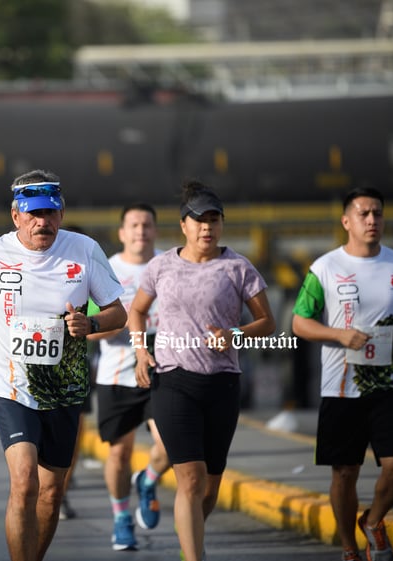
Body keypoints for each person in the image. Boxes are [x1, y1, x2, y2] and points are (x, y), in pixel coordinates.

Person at [0, 169, 127, 561]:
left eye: (52, 213)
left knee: (51, 492)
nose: (44, 222)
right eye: (35, 214)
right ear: (16, 215)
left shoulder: (85, 250)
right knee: (24, 481)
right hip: (11, 382)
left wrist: (90, 323)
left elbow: (118, 313)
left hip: (65, 386)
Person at [128, 180, 275, 561]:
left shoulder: (238, 267)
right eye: (199, 220)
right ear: (184, 225)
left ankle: (190, 539)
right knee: (190, 479)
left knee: (209, 486)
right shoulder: (162, 266)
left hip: (222, 383)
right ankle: (194, 556)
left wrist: (234, 335)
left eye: (214, 220)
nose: (207, 227)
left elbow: (268, 322)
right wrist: (141, 353)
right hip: (173, 380)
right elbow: (137, 312)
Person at [292, 186, 393, 561]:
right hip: (341, 386)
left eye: (378, 214)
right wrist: (339, 334)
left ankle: (373, 520)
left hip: (390, 381)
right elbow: (300, 323)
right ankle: (350, 550)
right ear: (346, 221)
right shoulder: (325, 267)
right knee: (344, 473)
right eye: (364, 214)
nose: (372, 220)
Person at [89, 203, 171, 551]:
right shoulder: (106, 268)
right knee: (119, 455)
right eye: (134, 225)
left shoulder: (171, 265)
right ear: (122, 233)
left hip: (163, 372)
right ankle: (122, 518)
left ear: (155, 230)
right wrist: (111, 326)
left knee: (170, 447)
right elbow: (90, 330)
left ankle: (148, 481)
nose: (141, 231)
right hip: (117, 375)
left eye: (147, 225)